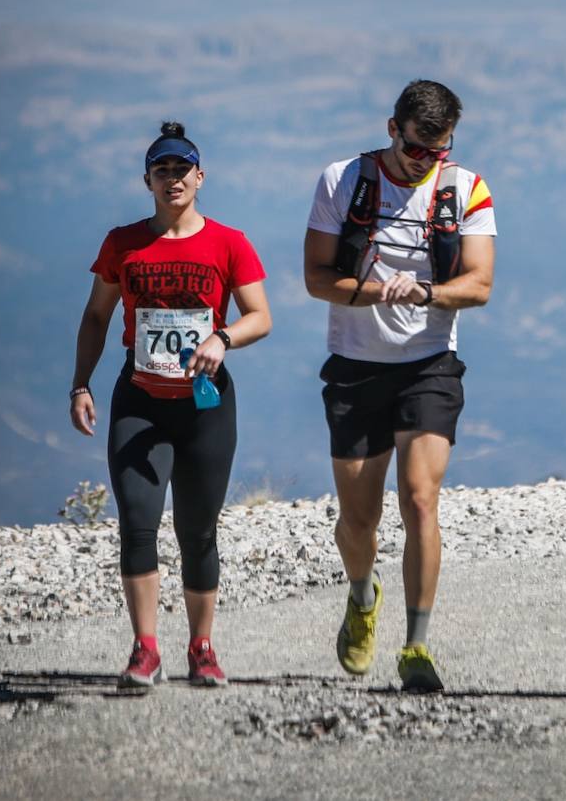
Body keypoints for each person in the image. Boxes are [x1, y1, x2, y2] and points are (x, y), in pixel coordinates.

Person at [303, 80, 496, 692]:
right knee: (358, 520)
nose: (425, 163)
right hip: (356, 362)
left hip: (429, 363)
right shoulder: (342, 180)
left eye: (438, 152)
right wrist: (368, 293)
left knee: (420, 500)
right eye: (417, 150)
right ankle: (363, 594)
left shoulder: (467, 188)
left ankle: (416, 644)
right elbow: (315, 277)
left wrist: (427, 293)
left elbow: (480, 284)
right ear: (393, 129)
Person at [69, 122, 272, 689]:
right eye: (162, 170)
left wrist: (223, 338)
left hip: (206, 407)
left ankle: (202, 648)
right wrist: (80, 384)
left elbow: (261, 316)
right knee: (137, 523)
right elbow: (96, 317)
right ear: (147, 181)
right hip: (140, 401)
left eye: (182, 170)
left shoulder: (229, 243)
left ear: (200, 177)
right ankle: (145, 649)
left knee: (198, 530)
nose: (173, 178)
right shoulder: (122, 243)